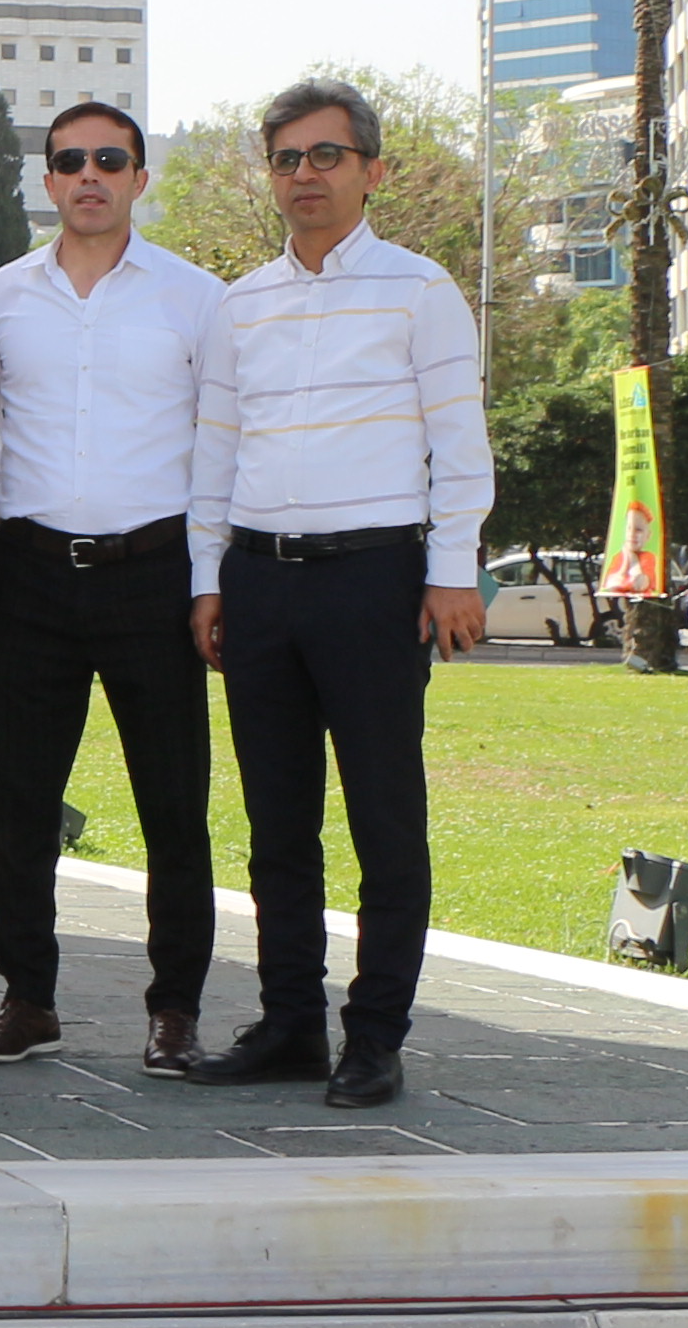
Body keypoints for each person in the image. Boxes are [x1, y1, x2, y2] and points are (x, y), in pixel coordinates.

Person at [184, 77, 493, 1111]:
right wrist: (206, 580)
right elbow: (214, 451)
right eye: (287, 159)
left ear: (372, 170)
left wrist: (453, 569)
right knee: (276, 824)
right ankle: (287, 1024)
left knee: (384, 819)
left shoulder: (420, 291)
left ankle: (376, 1036)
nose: (305, 176)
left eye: (325, 157)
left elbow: (459, 443)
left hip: (377, 582)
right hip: (259, 583)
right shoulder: (239, 303)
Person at [0, 100, 231, 1073]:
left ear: (139, 178)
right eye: (69, 160)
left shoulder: (197, 299)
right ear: (47, 181)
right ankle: (26, 998)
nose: (89, 175)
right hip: (29, 573)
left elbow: (218, 450)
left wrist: (210, 584)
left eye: (109, 159)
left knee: (174, 806)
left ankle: (176, 1010)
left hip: (154, 577)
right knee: (20, 807)